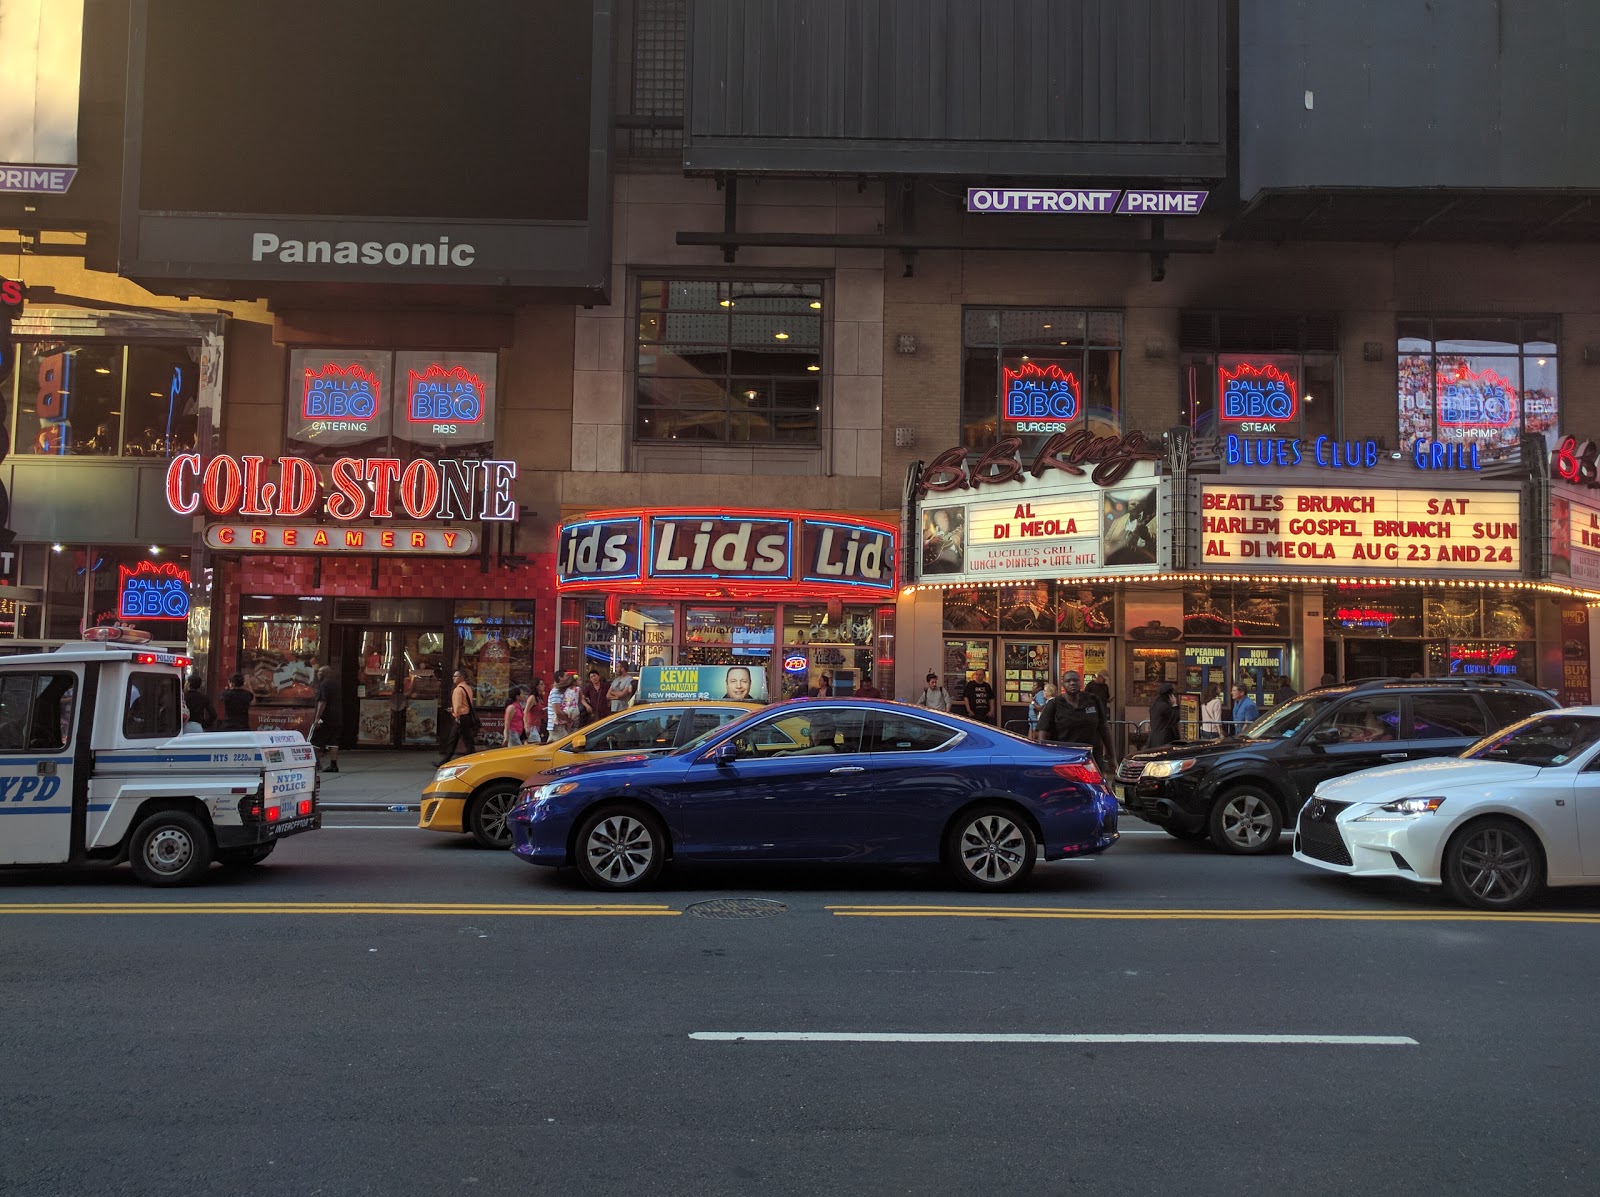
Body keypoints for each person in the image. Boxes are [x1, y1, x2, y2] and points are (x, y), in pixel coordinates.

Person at [1038, 671, 1113, 770]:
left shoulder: (1093, 700)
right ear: (1062, 684)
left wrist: (1112, 757)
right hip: (1065, 759)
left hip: (1091, 758)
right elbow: (1043, 734)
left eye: (1075, 680)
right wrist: (1045, 760)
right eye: (1068, 681)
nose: (1072, 683)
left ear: (1080, 682)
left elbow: (1104, 728)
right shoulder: (1054, 704)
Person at [438, 669, 477, 764]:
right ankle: (446, 759)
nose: (453, 678)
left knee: (463, 741)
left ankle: (473, 759)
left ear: (461, 678)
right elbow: (466, 704)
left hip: (460, 718)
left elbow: (458, 705)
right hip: (465, 716)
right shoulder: (467, 688)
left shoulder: (458, 690)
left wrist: (456, 714)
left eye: (455, 676)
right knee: (459, 740)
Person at [310, 665, 341, 773]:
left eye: (320, 672)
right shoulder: (336, 684)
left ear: (325, 673)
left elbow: (322, 701)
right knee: (333, 742)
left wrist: (317, 718)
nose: (318, 674)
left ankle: (316, 763)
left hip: (325, 717)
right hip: (336, 717)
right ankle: (333, 765)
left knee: (315, 741)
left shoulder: (324, 684)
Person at [1146, 682, 1180, 749]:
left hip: (1153, 739)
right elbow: (1175, 718)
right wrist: (1175, 705)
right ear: (1169, 695)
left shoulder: (1155, 705)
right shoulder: (1165, 706)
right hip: (1164, 740)